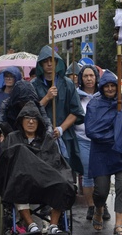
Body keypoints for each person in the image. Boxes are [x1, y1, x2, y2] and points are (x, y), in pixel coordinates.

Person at [0, 101, 75, 235]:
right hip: (22, 182)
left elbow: (55, 163)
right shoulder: (12, 138)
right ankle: (31, 224)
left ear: (39, 122)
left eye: (34, 119)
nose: (31, 122)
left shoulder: (47, 140)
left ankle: (53, 226)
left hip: (46, 182)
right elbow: (1, 164)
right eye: (27, 118)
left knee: (63, 182)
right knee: (18, 175)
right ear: (21, 120)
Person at [85, 71, 122, 235]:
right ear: (102, 88)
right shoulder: (94, 104)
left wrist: (121, 119)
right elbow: (92, 130)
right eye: (107, 86)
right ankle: (99, 209)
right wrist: (114, 131)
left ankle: (118, 225)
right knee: (101, 190)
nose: (110, 89)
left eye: (113, 86)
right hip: (102, 152)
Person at [31, 45, 85, 175]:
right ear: (41, 64)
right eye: (46, 61)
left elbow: (76, 111)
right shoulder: (33, 85)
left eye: (52, 60)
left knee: (66, 175)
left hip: (65, 137)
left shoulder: (67, 84)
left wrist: (61, 129)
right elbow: (30, 111)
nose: (49, 64)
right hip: (40, 138)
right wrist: (46, 98)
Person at [75, 64, 109, 222]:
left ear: (96, 78)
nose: (89, 79)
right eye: (85, 76)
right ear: (81, 79)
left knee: (103, 174)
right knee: (88, 173)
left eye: (92, 76)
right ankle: (91, 206)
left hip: (101, 140)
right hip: (82, 138)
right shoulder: (76, 95)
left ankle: (101, 205)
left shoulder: (104, 94)